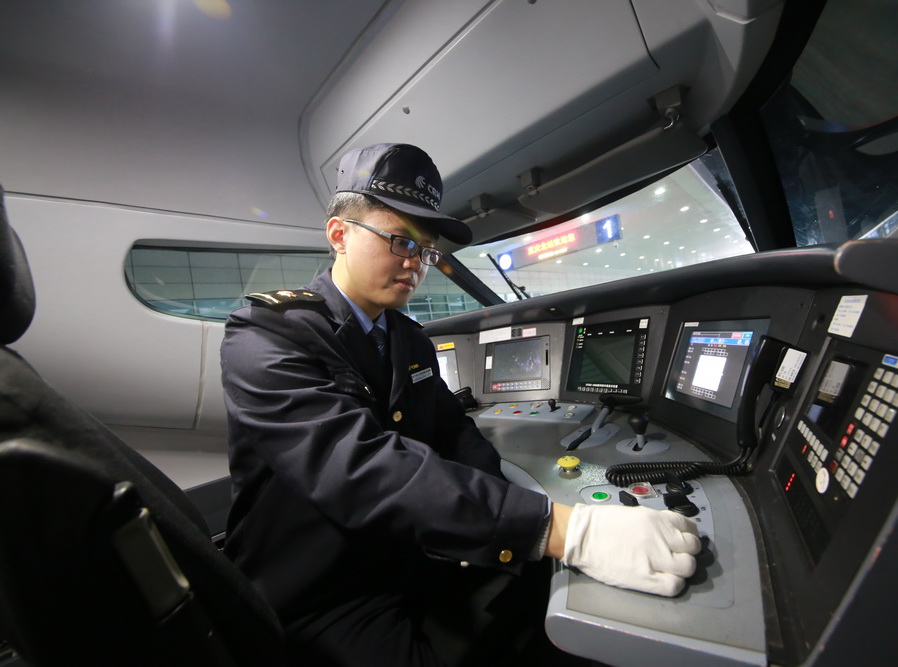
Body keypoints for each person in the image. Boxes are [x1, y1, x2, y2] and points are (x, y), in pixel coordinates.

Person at [220, 142, 701, 665]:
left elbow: (452, 432)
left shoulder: (407, 338)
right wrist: (559, 529)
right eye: (401, 241)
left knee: (535, 594)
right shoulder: (266, 335)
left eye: (425, 250)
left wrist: (522, 506)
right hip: (322, 590)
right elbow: (356, 467)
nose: (415, 264)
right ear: (340, 235)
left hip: (409, 551)